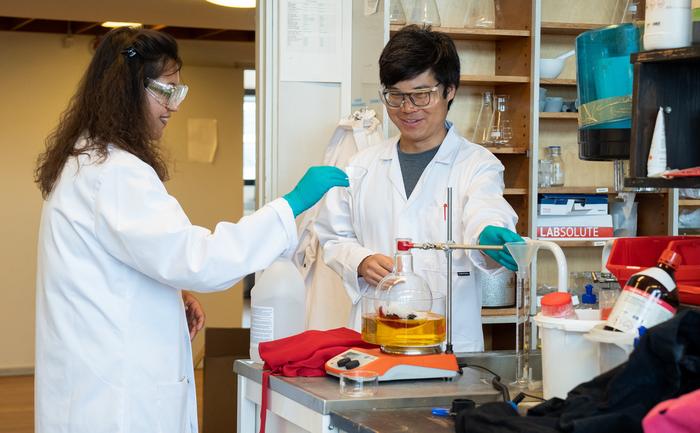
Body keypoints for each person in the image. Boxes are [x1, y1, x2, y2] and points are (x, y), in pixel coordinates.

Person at [33, 27, 347, 433]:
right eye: (166, 91)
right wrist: (290, 206)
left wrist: (168, 292)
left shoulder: (85, 161)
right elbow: (201, 260)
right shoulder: (115, 174)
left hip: (95, 384)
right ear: (126, 90)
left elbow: (112, 262)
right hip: (116, 402)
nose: (173, 106)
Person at [315, 25, 523, 353]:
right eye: (395, 95)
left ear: (449, 90)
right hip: (375, 336)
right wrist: (360, 260)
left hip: (450, 340)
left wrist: (487, 236)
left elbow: (485, 208)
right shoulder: (360, 166)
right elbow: (331, 236)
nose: (408, 108)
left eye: (421, 94)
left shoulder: (477, 164)